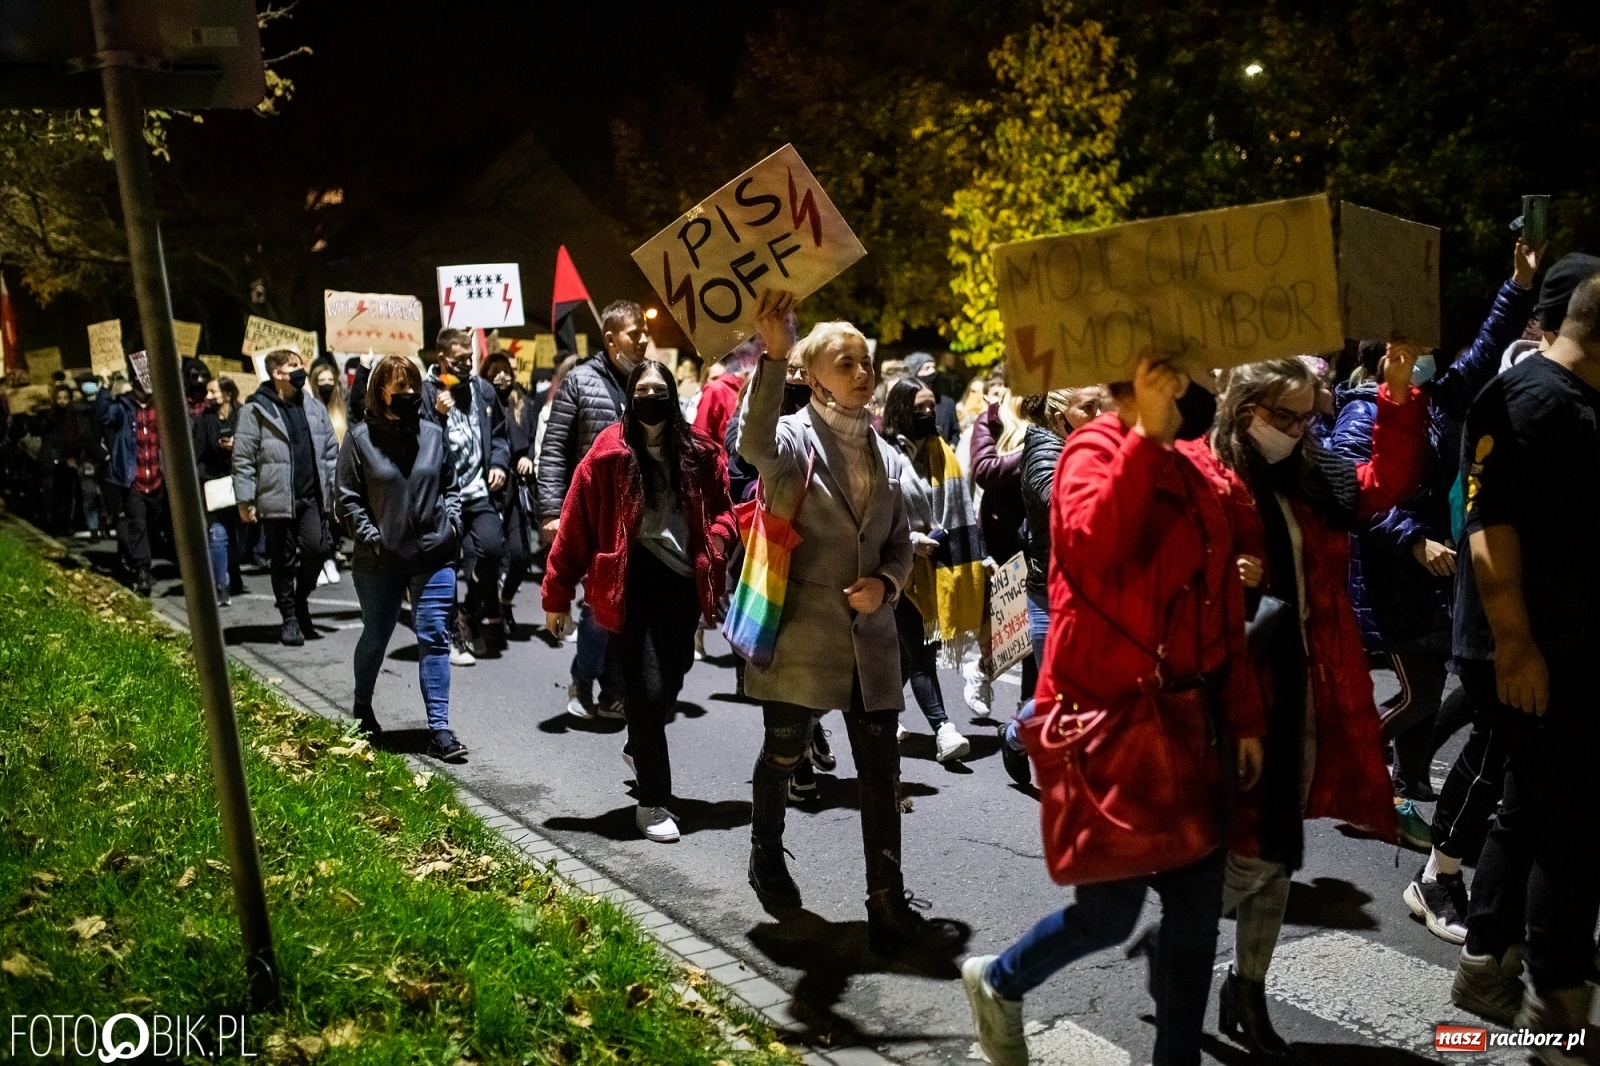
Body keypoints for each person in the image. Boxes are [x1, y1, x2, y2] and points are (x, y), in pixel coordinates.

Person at [962, 356, 1266, 1066]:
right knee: (1109, 914)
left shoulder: (1198, 464)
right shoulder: (1090, 450)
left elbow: (1222, 610)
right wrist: (1144, 438)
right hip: (1110, 728)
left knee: (1193, 920)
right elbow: (1096, 546)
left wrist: (1245, 716)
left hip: (1193, 726)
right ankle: (1002, 980)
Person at [1194, 352, 1424, 1058]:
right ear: (1244, 411)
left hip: (1306, 679)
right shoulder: (1207, 476)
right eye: (1285, 417)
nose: (1299, 430)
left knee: (1280, 841)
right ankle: (1180, 923)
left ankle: (1247, 986)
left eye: (1306, 416)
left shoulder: (1308, 473)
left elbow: (1381, 484)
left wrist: (1398, 389)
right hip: (1235, 690)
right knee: (1256, 843)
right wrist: (1221, 573)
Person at [738, 290, 963, 956]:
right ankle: (765, 851)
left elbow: (899, 540)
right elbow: (751, 440)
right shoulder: (790, 440)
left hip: (870, 641)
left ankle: (886, 901)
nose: (863, 373)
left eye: (866, 361)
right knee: (783, 752)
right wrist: (773, 356)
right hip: (801, 635)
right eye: (845, 362)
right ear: (814, 374)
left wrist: (889, 583)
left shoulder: (887, 456)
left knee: (881, 770)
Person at [1331, 239, 1542, 934]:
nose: (1425, 355)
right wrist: (1412, 540)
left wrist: (1515, 288)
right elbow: (1361, 501)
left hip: (1433, 572)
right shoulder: (1362, 412)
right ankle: (1355, 764)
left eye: (1425, 348)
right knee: (1421, 692)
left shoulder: (1432, 401)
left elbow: (1484, 351)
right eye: (1409, 348)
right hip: (1392, 575)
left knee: (1425, 688)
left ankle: (1406, 787)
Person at [1447, 269, 1600, 1054]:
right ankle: (1557, 1013)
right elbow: (1490, 526)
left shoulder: (1563, 399)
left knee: (1533, 804)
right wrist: (1515, 644)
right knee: (1572, 827)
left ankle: (1485, 963)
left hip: (1546, 646)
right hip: (1532, 649)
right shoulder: (1538, 401)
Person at [543, 359, 737, 841]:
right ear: (629, 398)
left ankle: (639, 743)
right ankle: (653, 801)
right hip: (630, 584)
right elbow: (574, 529)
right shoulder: (606, 454)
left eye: (660, 390)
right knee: (645, 694)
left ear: (672, 396)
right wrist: (557, 594)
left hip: (682, 584)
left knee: (670, 680)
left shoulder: (699, 453)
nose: (652, 398)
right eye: (642, 390)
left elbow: (725, 513)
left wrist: (714, 539)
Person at [335, 355, 466, 762]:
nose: (408, 393)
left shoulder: (433, 433)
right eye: (398, 386)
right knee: (377, 634)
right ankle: (362, 707)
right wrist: (373, 539)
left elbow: (451, 486)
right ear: (379, 392)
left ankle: (440, 728)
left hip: (434, 555)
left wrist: (453, 525)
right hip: (379, 560)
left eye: (412, 385)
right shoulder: (359, 439)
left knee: (434, 637)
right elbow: (347, 498)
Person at [538, 302, 648, 719]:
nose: (641, 339)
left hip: (637, 517)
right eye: (633, 332)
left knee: (625, 608)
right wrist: (551, 510)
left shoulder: (648, 382)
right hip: (590, 512)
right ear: (610, 339)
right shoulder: (580, 382)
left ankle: (614, 688)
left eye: (643, 333)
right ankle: (584, 677)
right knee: (598, 607)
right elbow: (553, 452)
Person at [998, 386, 1106, 786]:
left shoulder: (1080, 445)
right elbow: (1060, 500)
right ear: (1061, 416)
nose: (1098, 416)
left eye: (1100, 407)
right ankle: (1015, 737)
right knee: (1060, 699)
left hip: (1090, 591)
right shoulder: (1046, 452)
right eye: (1088, 409)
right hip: (1053, 594)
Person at [878, 377, 981, 762]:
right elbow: (876, 514)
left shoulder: (943, 451)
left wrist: (976, 553)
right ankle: (944, 729)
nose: (927, 412)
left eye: (931, 405)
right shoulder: (883, 452)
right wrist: (910, 541)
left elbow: (961, 507)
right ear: (901, 409)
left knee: (908, 655)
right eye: (919, 406)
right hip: (899, 570)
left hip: (938, 567)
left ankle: (881, 712)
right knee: (920, 651)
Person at [232, 347, 340, 647]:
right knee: (282, 560)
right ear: (277, 373)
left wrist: (333, 492)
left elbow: (331, 452)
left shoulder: (314, 407)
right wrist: (245, 499)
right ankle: (290, 617)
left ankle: (299, 599)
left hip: (312, 496)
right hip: (276, 498)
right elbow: (243, 458)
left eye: (300, 364)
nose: (300, 370)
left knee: (318, 550)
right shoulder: (255, 410)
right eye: (293, 366)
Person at [422, 328, 511, 663]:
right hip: (445, 498)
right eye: (459, 360)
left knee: (492, 551)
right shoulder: (426, 393)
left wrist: (500, 462)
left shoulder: (483, 391)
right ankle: (452, 636)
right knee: (447, 567)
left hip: (480, 493)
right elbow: (421, 443)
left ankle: (469, 610)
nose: (466, 365)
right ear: (442, 357)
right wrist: (438, 416)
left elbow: (500, 435)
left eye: (470, 359)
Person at [967, 372, 1032, 716]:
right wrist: (1033, 453)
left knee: (1032, 632)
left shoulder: (1054, 416)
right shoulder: (991, 419)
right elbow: (984, 468)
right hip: (1002, 536)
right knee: (1002, 630)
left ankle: (1026, 713)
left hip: (1039, 537)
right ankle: (983, 670)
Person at [95, 360, 167, 596]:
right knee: (138, 523)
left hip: (157, 476)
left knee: (152, 524)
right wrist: (105, 386)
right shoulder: (123, 408)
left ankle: (135, 556)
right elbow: (103, 416)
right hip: (133, 477)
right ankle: (142, 571)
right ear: (135, 384)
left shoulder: (161, 406)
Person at [480, 351, 538, 634]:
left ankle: (504, 600)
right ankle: (488, 608)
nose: (502, 376)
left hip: (516, 488)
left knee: (520, 555)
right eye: (495, 371)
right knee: (489, 552)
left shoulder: (523, 403)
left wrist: (528, 455)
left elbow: (533, 438)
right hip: (488, 489)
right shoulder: (481, 403)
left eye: (505, 370)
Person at [194, 376, 242, 606]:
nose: (208, 397)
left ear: (228, 395)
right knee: (218, 534)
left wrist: (237, 446)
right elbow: (197, 453)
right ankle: (221, 585)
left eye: (213, 392)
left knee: (238, 536)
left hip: (241, 482)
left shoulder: (244, 415)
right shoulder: (204, 421)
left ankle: (234, 570)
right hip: (214, 484)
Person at [903, 352, 960, 445]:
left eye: (933, 367)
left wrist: (952, 445)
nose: (932, 371)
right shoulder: (906, 402)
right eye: (927, 368)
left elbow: (955, 433)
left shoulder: (947, 403)